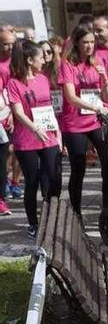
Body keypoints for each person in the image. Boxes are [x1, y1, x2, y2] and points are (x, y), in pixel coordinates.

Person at [58, 25, 108, 215]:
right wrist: (95, 107)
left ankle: (107, 206)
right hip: (74, 124)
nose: (90, 46)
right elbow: (70, 97)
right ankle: (76, 211)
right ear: (77, 43)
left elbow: (107, 97)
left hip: (94, 120)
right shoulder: (68, 64)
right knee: (79, 168)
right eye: (85, 42)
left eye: (92, 42)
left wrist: (104, 78)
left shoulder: (97, 62)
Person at [7, 39, 62, 237]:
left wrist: (58, 132)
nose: (44, 61)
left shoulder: (43, 79)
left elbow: (49, 110)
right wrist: (34, 128)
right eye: (40, 57)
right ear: (30, 60)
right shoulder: (13, 83)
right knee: (32, 180)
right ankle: (33, 223)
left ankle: (53, 218)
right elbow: (18, 112)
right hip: (26, 139)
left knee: (54, 177)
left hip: (48, 135)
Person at [0, 30, 16, 215]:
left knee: (10, 154)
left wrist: (12, 111)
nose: (10, 47)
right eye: (5, 43)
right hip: (3, 114)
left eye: (12, 43)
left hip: (10, 114)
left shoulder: (17, 61)